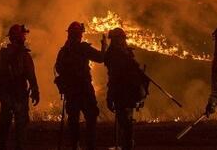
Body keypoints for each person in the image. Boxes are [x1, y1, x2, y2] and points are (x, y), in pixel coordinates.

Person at [54, 21, 106, 150]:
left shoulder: (63, 51)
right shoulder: (83, 48)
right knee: (91, 117)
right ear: (79, 35)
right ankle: (90, 146)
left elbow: (58, 69)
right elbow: (100, 58)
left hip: (70, 91)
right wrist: (104, 46)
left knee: (73, 120)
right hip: (84, 89)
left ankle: (74, 146)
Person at [0, 24, 40, 150]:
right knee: (21, 129)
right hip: (19, 96)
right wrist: (35, 91)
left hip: (6, 97)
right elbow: (31, 75)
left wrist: (2, 94)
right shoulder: (24, 55)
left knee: (4, 128)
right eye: (23, 35)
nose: (25, 37)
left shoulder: (2, 54)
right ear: (19, 37)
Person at [104, 27, 148, 150]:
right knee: (126, 122)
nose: (117, 41)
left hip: (123, 93)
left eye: (117, 39)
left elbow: (114, 78)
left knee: (125, 122)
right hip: (126, 93)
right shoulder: (123, 54)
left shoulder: (119, 55)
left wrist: (110, 96)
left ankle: (127, 145)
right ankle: (127, 145)